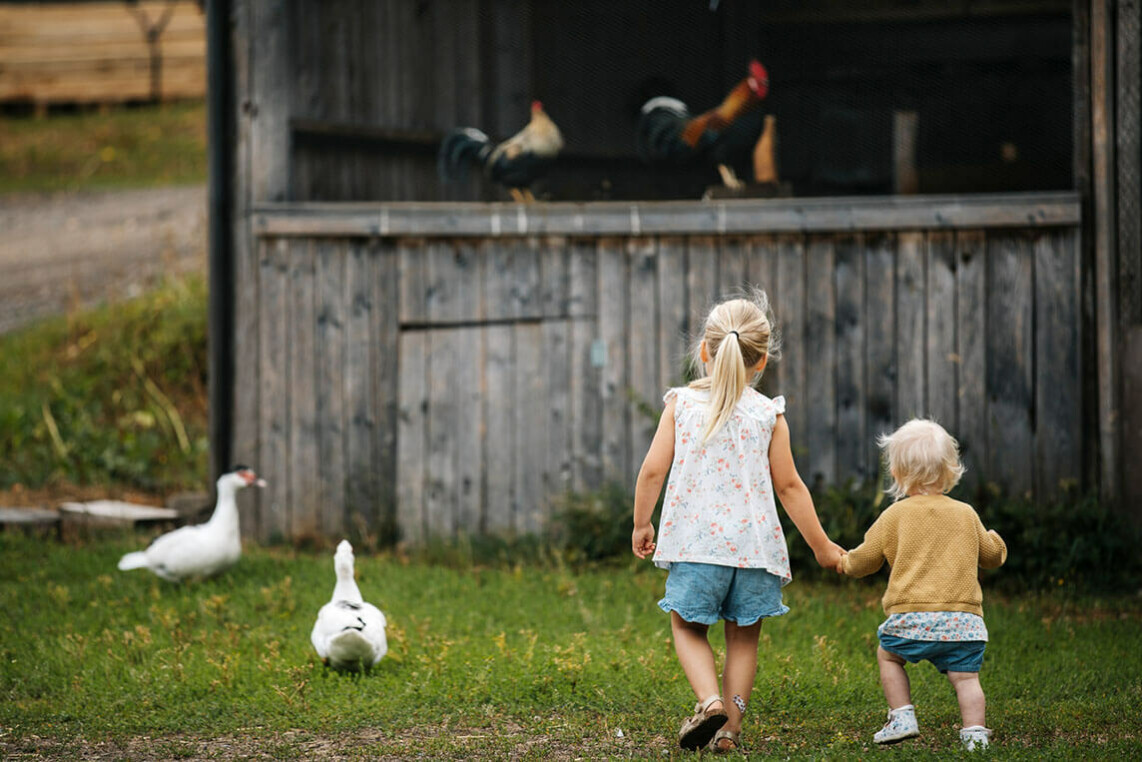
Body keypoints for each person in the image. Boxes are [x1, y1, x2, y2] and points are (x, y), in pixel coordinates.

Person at [631, 292, 844, 753]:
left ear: (705, 351)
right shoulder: (769, 415)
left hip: (695, 547)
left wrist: (641, 524)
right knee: (743, 642)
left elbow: (652, 470)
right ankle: (730, 732)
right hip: (754, 552)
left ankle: (710, 703)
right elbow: (790, 488)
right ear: (762, 359)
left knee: (687, 628)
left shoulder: (682, 405)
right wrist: (823, 547)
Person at [837, 419, 1007, 752]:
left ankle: (902, 716)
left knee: (888, 656)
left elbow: (866, 558)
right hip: (963, 624)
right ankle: (974, 735)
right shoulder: (966, 513)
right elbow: (991, 556)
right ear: (950, 470)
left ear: (897, 473)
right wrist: (996, 541)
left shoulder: (894, 515)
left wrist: (844, 562)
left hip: (910, 620)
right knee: (967, 680)